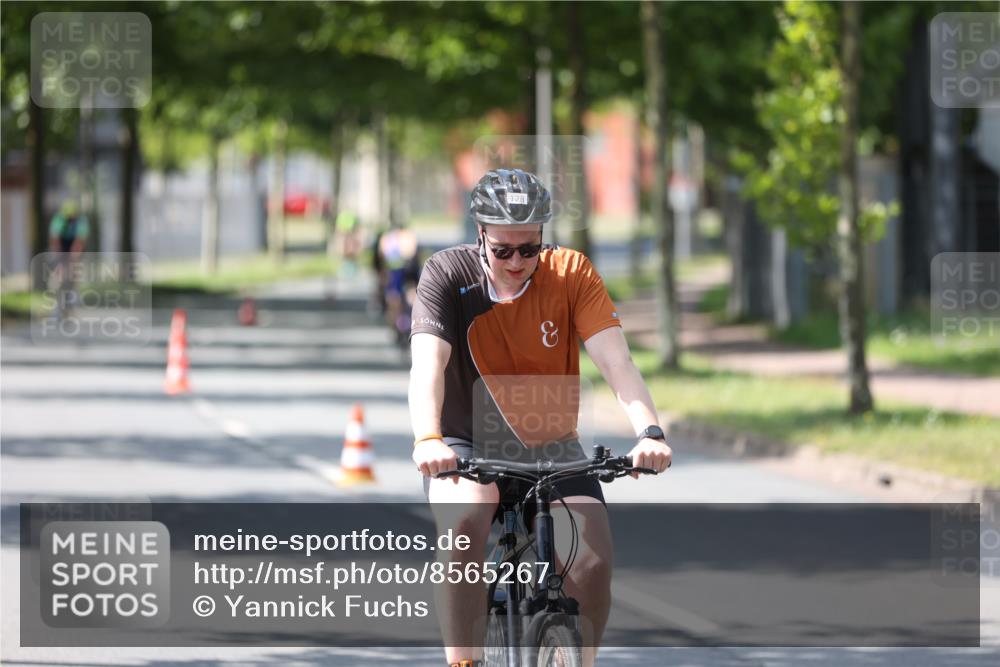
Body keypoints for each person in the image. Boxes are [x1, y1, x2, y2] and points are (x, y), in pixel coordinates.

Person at [408, 169, 672, 667]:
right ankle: (463, 661)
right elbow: (428, 367)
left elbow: (618, 362)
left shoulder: (571, 274)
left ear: (543, 239)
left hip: (550, 441)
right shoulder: (447, 274)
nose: (516, 262)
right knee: (464, 522)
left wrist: (649, 431)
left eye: (528, 249)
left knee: (591, 565)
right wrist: (429, 439)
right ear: (479, 235)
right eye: (502, 250)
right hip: (463, 443)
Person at [47, 200, 90, 320]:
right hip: (62, 246)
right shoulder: (59, 219)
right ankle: (56, 305)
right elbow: (54, 239)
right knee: (59, 274)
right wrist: (59, 255)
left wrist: (74, 256)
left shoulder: (81, 221)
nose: (71, 218)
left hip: (75, 246)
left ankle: (72, 296)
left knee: (73, 273)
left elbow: (80, 241)